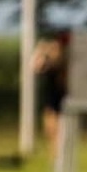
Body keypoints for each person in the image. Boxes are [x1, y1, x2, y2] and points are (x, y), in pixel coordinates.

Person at [32, 32, 69, 160]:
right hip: (52, 102)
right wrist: (41, 51)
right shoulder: (50, 64)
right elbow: (36, 67)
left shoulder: (65, 63)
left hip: (64, 102)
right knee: (51, 132)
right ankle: (55, 157)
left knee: (60, 133)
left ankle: (59, 157)